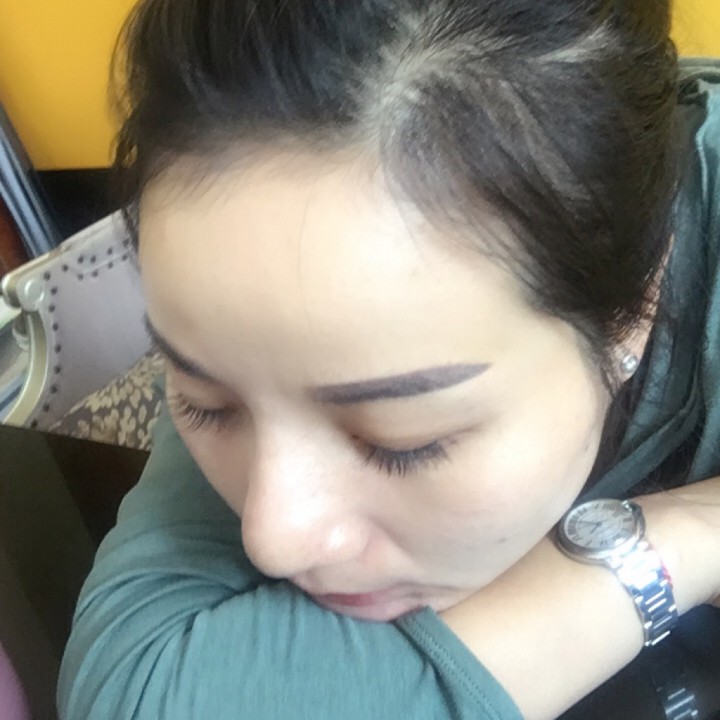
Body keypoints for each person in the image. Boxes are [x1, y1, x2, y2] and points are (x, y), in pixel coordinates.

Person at [58, 1, 720, 718]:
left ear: (635, 310)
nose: (275, 539)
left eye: (402, 442)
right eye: (207, 405)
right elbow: (141, 695)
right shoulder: (262, 336)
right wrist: (682, 539)